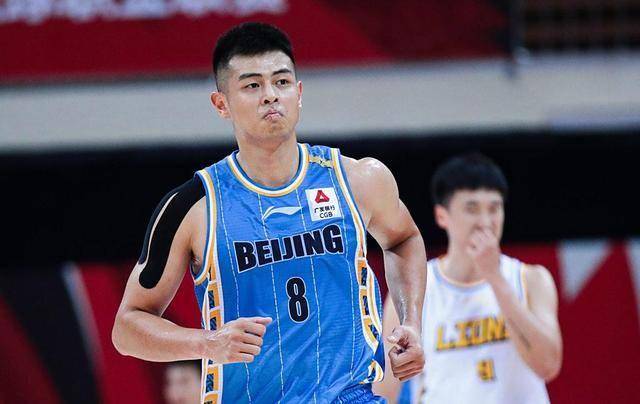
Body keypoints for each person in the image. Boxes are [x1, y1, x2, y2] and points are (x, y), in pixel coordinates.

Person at [112, 22, 427, 403]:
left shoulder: (358, 179)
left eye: (281, 81)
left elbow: (404, 238)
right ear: (221, 104)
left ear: (299, 93)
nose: (270, 96)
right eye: (252, 85)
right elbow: (127, 328)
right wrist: (208, 342)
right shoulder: (194, 206)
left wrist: (411, 321)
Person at [374, 153, 562, 404]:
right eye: (472, 209)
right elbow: (385, 390)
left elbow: (548, 366)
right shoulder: (416, 287)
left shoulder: (531, 279)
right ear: (442, 216)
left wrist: (495, 277)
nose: (485, 222)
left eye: (494, 208)